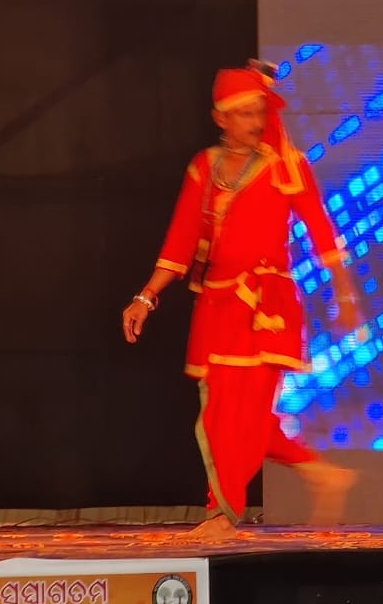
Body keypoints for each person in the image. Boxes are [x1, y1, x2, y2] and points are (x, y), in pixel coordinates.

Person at [122, 61, 363, 540]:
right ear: (221, 118)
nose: (255, 122)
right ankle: (320, 473)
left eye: (260, 112)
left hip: (267, 308)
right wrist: (145, 297)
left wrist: (344, 294)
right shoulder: (204, 167)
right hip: (217, 305)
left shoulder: (285, 165)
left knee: (244, 414)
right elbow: (181, 240)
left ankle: (222, 513)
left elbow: (321, 230)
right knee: (220, 413)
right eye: (245, 113)